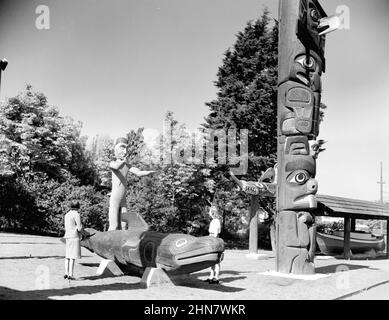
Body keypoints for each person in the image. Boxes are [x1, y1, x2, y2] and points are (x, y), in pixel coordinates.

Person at [108, 137, 155, 231]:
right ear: (116, 150)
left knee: (124, 225)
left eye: (126, 149)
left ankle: (123, 241)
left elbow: (138, 172)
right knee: (114, 225)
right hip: (115, 198)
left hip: (123, 199)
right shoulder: (113, 163)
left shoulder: (127, 165)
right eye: (122, 148)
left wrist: (148, 172)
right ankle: (108, 242)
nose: (125, 151)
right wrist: (124, 162)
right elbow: (116, 167)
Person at [64, 201, 83, 280]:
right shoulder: (76, 214)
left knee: (67, 256)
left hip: (67, 235)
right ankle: (71, 275)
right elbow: (79, 228)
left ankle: (66, 273)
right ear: (78, 207)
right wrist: (82, 232)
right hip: (74, 236)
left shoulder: (67, 214)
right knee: (73, 256)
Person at [205, 205, 222, 284]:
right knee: (212, 260)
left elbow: (215, 233)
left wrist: (213, 242)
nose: (209, 213)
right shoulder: (213, 220)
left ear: (212, 212)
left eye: (210, 211)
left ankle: (216, 278)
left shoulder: (216, 221)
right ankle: (211, 276)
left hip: (214, 240)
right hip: (211, 238)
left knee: (216, 261)